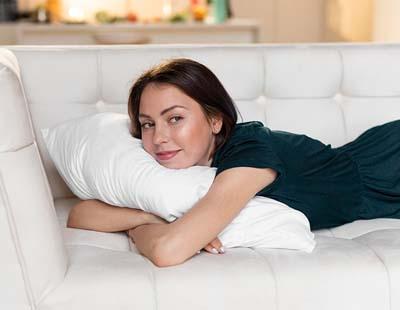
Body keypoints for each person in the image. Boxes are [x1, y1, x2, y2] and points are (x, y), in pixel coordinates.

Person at [69, 58, 400, 268]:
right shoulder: (166, 165)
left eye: (175, 119)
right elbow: (80, 214)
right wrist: (146, 216)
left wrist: (144, 228)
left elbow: (168, 249)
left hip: (388, 163)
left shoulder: (249, 152)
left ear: (215, 121)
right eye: (148, 124)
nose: (158, 138)